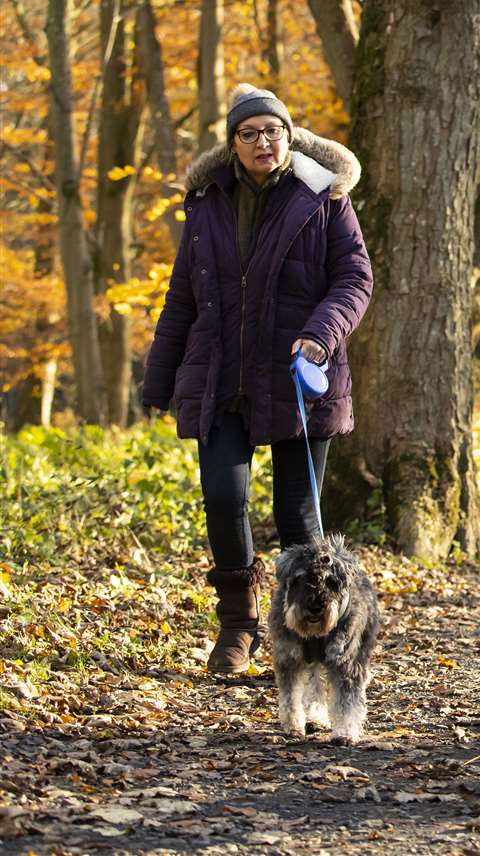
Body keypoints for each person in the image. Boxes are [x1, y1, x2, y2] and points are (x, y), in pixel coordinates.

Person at [141, 84, 373, 675]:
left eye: (274, 131)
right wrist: (158, 378)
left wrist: (321, 334)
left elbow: (354, 279)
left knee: (299, 516)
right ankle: (239, 626)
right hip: (223, 376)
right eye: (250, 133)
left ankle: (314, 631)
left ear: (290, 137)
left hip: (299, 375)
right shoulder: (206, 202)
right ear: (233, 143)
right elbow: (182, 299)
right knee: (223, 495)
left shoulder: (324, 196)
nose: (263, 142)